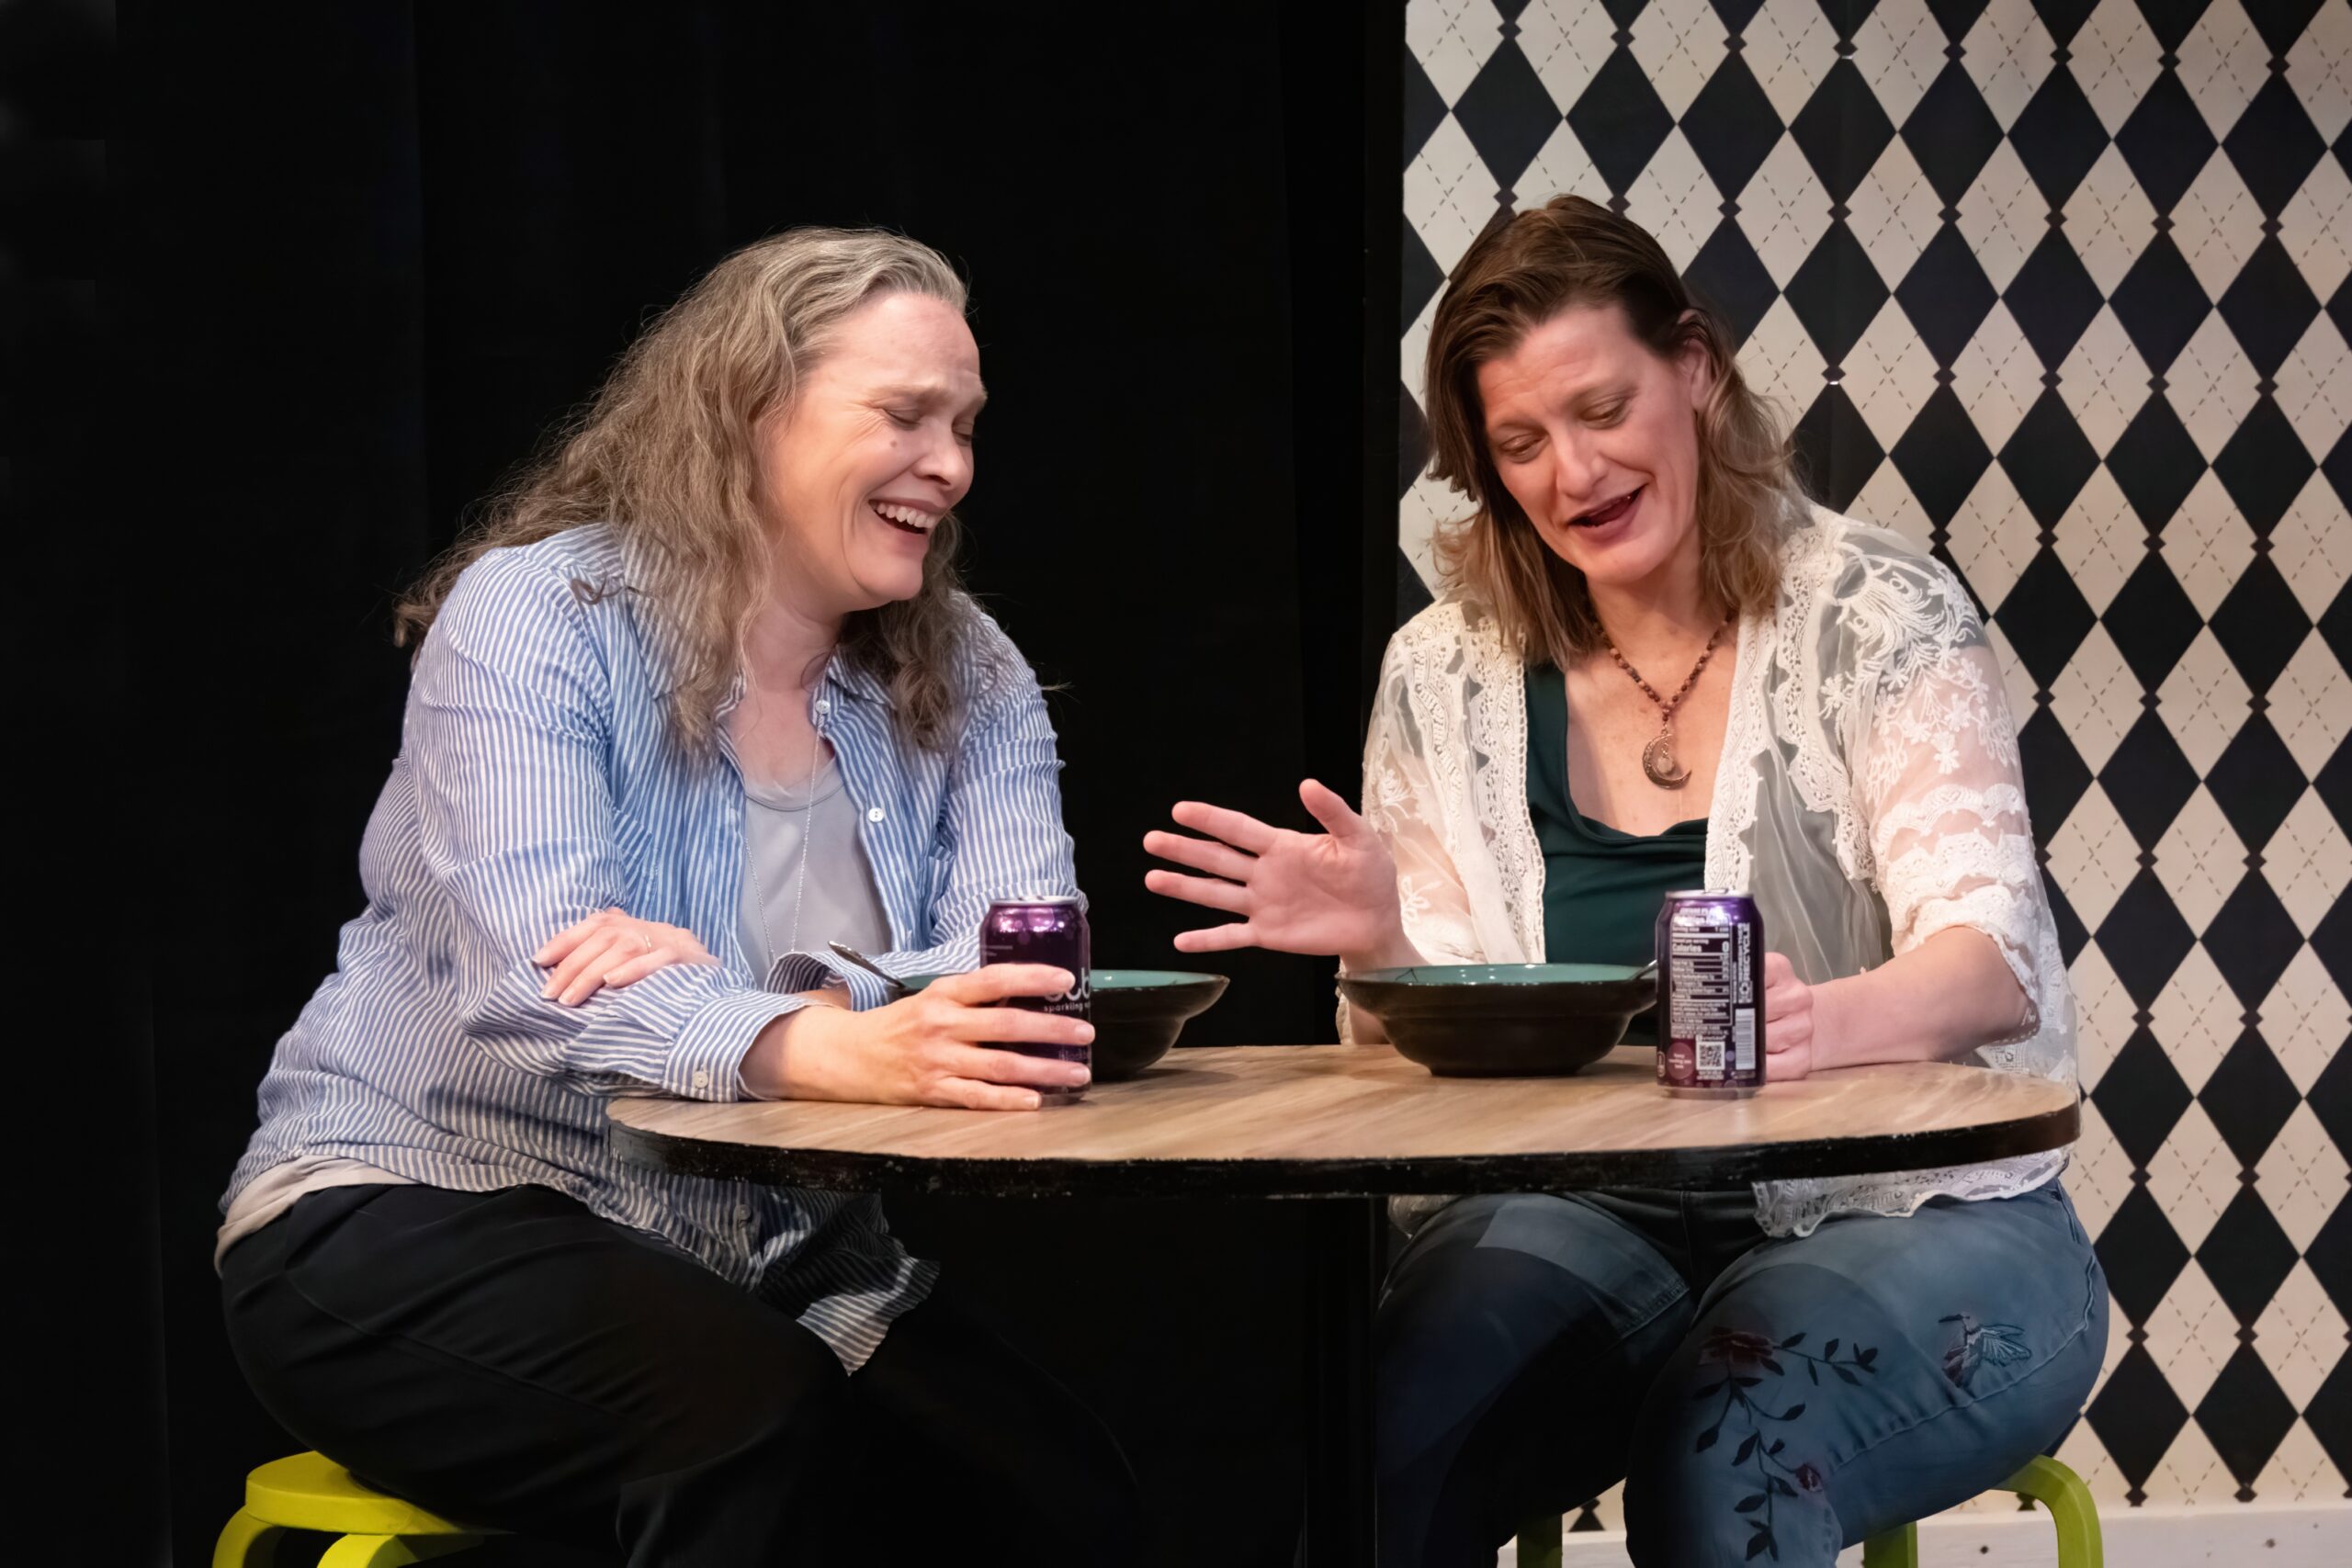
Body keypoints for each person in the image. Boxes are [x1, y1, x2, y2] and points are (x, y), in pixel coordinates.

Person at [1145, 197, 2106, 1566]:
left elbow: (1990, 962)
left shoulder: (1878, 616)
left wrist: (1812, 1027)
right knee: (1382, 1439)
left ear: (1694, 370)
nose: (1575, 472)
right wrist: (1382, 949)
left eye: (1603, 409)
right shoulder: (1446, 670)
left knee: (1726, 1448)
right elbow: (1421, 1066)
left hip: (1915, 1213)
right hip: (1591, 1212)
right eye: (1522, 442)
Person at [219, 228, 1140, 1567]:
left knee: (1063, 1497)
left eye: (964, 426)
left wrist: (755, 998)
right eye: (904, 416)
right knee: (748, 1422)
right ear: (749, 409)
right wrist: (841, 1035)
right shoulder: (540, 614)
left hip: (775, 1255)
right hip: (420, 1204)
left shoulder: (970, 667)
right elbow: (536, 980)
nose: (949, 465)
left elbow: (1027, 979)